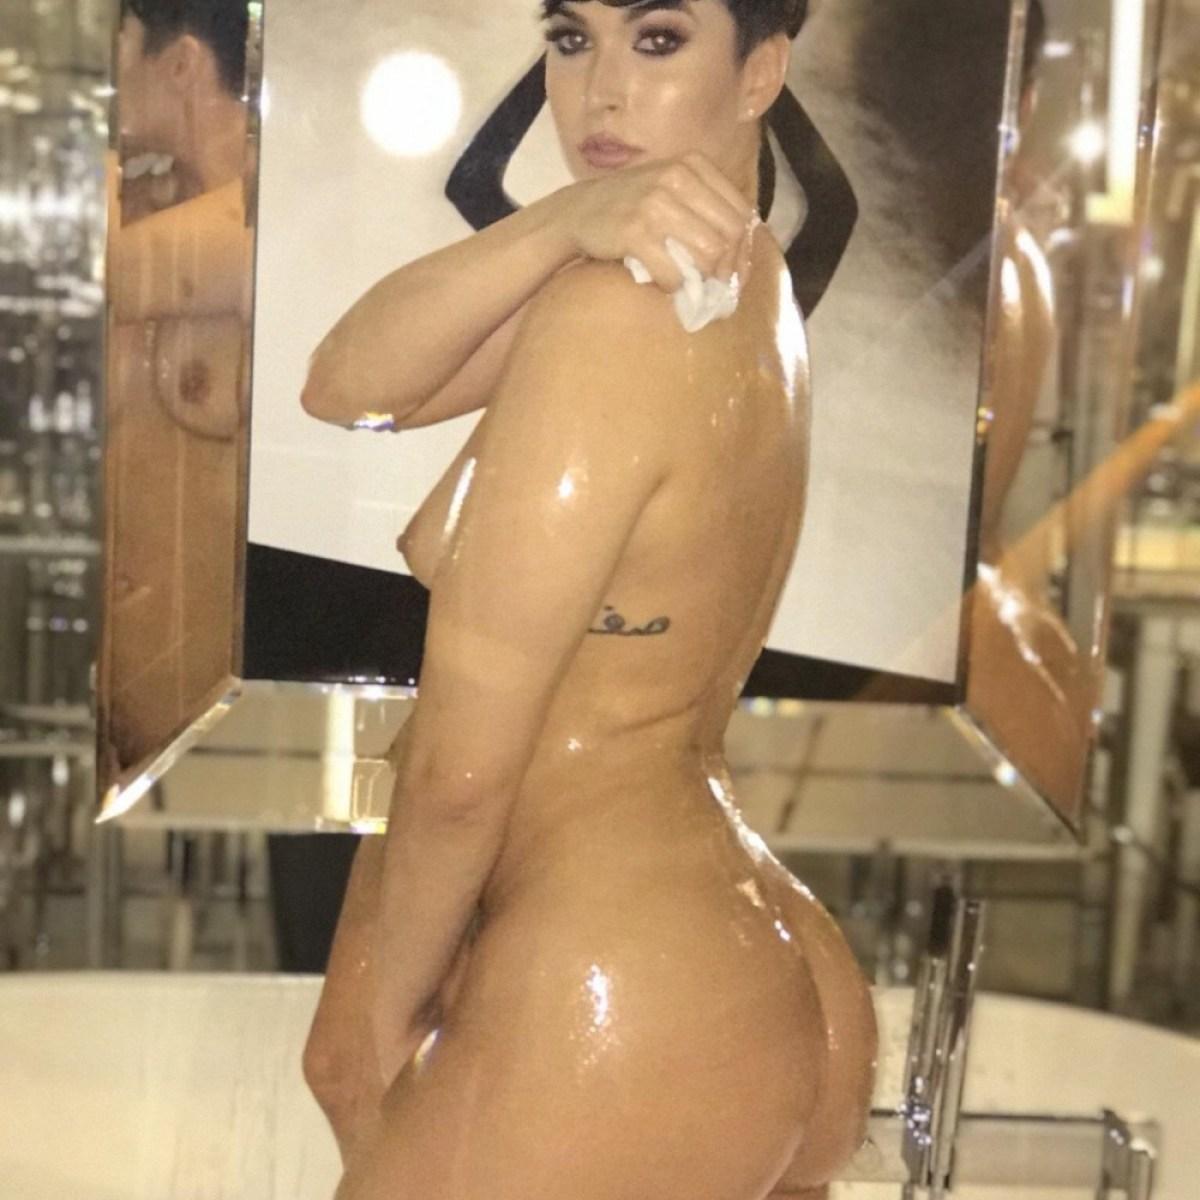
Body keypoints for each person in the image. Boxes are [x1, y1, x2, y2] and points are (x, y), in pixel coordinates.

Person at [301, 2, 877, 1197]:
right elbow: (349, 386)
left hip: (606, 992)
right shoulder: (736, 277)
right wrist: (562, 219)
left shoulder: (616, 317)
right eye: (572, 39)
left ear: (761, 71)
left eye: (657, 39)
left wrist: (383, 1014)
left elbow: (464, 772)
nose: (600, 89)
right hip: (712, 945)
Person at [101, 0, 251, 776]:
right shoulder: (147, 209)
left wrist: (78, 163)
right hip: (112, 716)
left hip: (224, 729)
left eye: (118, 48)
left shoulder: (263, 219)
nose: (100, 85)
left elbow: (86, 274)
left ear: (183, 63)